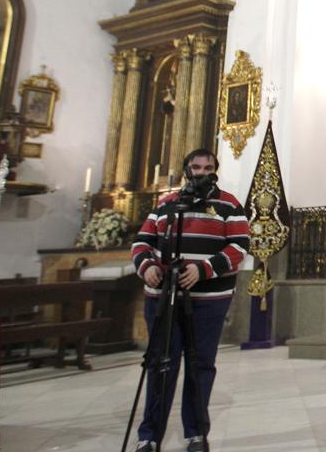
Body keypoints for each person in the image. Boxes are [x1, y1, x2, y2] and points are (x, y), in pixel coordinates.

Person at [130, 149, 250, 452]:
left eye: (208, 167)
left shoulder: (229, 204)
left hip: (209, 299)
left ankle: (196, 433)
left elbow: (239, 246)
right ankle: (150, 435)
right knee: (160, 365)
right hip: (163, 298)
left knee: (200, 365)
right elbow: (143, 242)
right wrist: (148, 267)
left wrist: (203, 268)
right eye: (196, 167)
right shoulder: (167, 203)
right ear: (186, 169)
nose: (201, 172)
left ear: (215, 170)